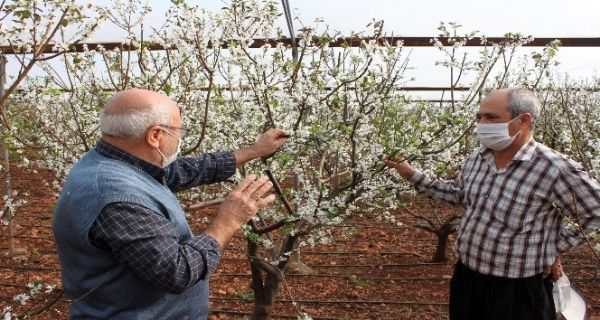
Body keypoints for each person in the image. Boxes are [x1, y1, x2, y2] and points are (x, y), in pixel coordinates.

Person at [52, 88, 289, 319]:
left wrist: (255, 150)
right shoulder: (117, 198)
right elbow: (177, 272)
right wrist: (228, 221)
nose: (180, 138)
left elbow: (184, 170)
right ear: (155, 135)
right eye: (178, 130)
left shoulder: (115, 162)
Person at [384, 87, 600, 320]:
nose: (482, 124)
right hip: (468, 279)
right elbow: (457, 194)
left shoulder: (553, 169)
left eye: (491, 117)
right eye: (479, 117)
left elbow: (596, 212)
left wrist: (553, 248)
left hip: (518, 291)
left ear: (524, 120)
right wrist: (410, 174)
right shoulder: (478, 158)